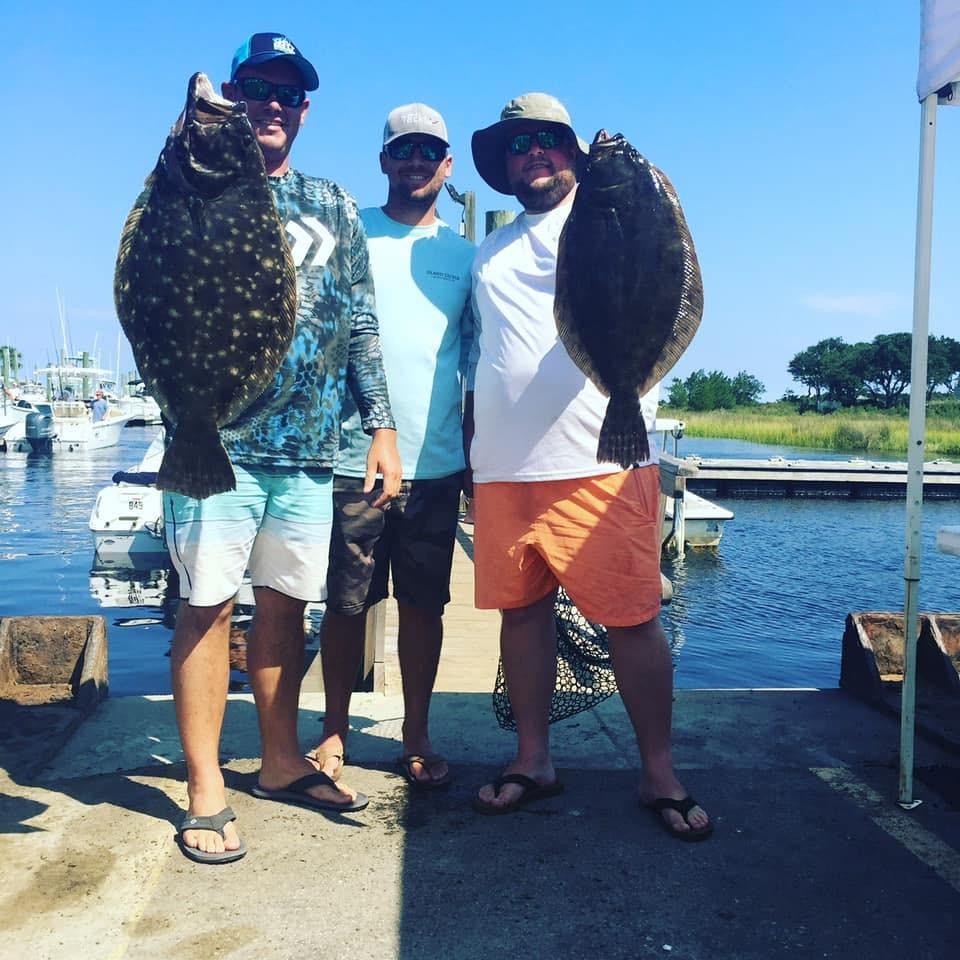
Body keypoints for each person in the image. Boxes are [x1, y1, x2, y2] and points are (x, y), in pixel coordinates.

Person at [162, 32, 401, 864]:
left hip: (308, 448)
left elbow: (362, 319)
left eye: (288, 94)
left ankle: (277, 760)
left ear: (304, 110)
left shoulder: (333, 204)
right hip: (211, 440)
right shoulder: (192, 188)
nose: (271, 104)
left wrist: (381, 424)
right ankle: (204, 784)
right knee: (205, 607)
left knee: (284, 609)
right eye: (256, 88)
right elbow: (152, 284)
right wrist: (189, 134)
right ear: (233, 94)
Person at [465, 93, 712, 839]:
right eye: (517, 145)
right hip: (505, 468)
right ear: (504, 165)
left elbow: (672, 259)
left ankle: (658, 771)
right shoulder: (488, 249)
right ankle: (533, 758)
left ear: (575, 153)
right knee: (522, 615)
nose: (532, 152)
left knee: (632, 620)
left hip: (601, 458)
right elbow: (485, 359)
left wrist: (633, 169)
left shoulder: (616, 211)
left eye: (548, 140)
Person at [307, 104, 474, 791]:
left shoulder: (464, 255)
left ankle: (416, 732)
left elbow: (485, 359)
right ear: (382, 160)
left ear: (447, 165)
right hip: (353, 458)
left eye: (428, 150)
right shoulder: (351, 236)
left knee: (424, 607)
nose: (415, 161)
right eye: (402, 149)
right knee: (347, 603)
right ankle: (334, 730)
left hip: (435, 464)